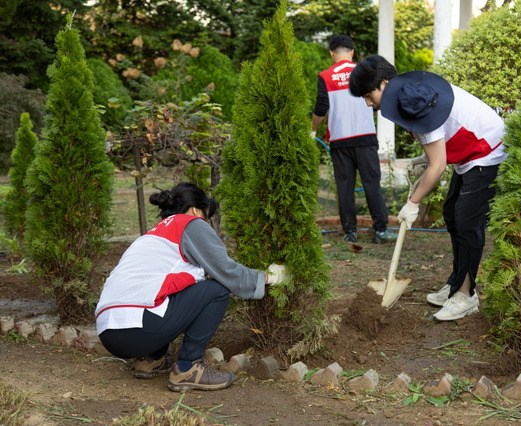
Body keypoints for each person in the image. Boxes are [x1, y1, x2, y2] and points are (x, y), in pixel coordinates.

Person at [349, 55, 507, 321]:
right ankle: (457, 283)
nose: (368, 102)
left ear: (384, 84)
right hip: (470, 153)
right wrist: (420, 159)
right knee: (452, 214)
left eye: (368, 94)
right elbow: (438, 142)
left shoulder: (416, 101)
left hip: (487, 150)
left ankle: (466, 296)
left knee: (467, 221)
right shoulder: (408, 94)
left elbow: (438, 166)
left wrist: (413, 203)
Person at [95, 183, 288, 391]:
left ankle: (151, 358)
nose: (205, 222)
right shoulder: (191, 224)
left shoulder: (152, 235)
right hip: (139, 329)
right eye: (206, 215)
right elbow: (227, 271)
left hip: (109, 332)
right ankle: (189, 368)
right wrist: (270, 277)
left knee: (175, 291)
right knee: (216, 291)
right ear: (196, 209)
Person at [311, 35, 397, 244]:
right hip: (365, 136)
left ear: (332, 53)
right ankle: (380, 230)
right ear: (352, 52)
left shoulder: (325, 76)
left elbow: (321, 107)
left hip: (340, 140)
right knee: (371, 184)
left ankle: (350, 232)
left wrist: (312, 130)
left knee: (345, 186)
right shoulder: (364, 73)